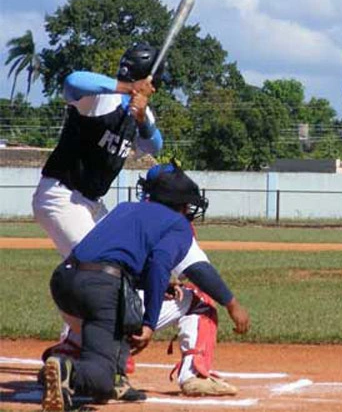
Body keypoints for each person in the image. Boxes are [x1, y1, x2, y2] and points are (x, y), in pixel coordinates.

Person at [41, 163, 251, 411]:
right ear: (181, 205)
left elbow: (115, 256)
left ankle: (73, 361)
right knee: (100, 383)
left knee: (116, 308)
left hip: (64, 282)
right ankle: (74, 371)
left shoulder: (124, 209)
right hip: (100, 289)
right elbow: (159, 263)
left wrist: (151, 283)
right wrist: (150, 324)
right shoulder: (178, 224)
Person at [31, 43, 163, 399]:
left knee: (125, 272)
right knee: (103, 279)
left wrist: (139, 115)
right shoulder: (100, 98)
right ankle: (97, 363)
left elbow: (156, 144)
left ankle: (71, 350)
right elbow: (73, 80)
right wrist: (126, 90)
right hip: (61, 196)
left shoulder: (139, 111)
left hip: (90, 203)